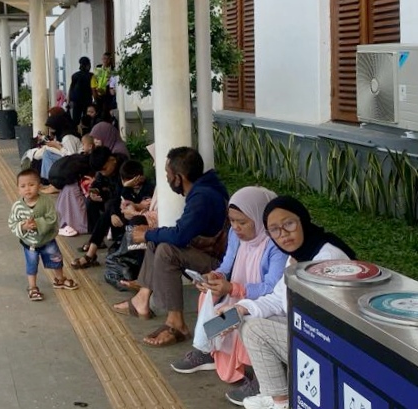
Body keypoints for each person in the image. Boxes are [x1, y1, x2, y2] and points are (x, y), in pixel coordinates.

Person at [170, 186, 288, 406]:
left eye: (242, 222)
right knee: (209, 296)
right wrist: (215, 276)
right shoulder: (235, 235)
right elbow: (227, 263)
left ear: (260, 217)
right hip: (238, 290)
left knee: (248, 319)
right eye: (232, 221)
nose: (236, 227)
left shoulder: (275, 245)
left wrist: (234, 290)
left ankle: (257, 376)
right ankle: (207, 350)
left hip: (260, 300)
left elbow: (272, 288)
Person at [235, 196, 356, 409]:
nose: (283, 234)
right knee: (245, 318)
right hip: (310, 329)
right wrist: (242, 307)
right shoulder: (298, 255)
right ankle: (275, 395)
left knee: (255, 329)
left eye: (289, 224)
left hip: (332, 343)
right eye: (274, 230)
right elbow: (279, 298)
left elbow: (327, 317)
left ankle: (281, 402)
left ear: (303, 220)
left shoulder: (327, 258)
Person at [112, 146, 229, 348]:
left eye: (167, 174)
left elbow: (181, 235)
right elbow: (183, 231)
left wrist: (147, 233)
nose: (166, 179)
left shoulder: (202, 197)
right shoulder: (204, 188)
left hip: (219, 264)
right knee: (157, 240)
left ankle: (177, 324)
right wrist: (151, 234)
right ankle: (142, 300)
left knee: (166, 250)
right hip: (206, 252)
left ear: (179, 177)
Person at [8, 169, 79, 301]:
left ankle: (60, 279)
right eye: (23, 186)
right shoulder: (17, 206)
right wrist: (23, 226)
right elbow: (12, 223)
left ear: (39, 185)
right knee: (31, 264)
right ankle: (32, 287)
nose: (27, 189)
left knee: (56, 259)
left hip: (47, 240)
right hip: (30, 244)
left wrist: (38, 224)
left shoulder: (46, 201)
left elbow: (53, 218)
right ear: (18, 189)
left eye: (31, 185)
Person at [72, 158, 153, 268]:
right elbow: (118, 200)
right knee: (108, 212)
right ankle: (91, 253)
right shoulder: (123, 184)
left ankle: (91, 254)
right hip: (122, 220)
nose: (134, 184)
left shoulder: (148, 187)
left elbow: (135, 206)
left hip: (137, 222)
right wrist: (113, 214)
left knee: (111, 210)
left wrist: (127, 190)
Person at [39, 113, 83, 187]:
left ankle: (52, 182)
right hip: (70, 158)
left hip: (75, 162)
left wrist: (57, 146)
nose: (50, 130)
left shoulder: (68, 137)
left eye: (51, 128)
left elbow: (72, 156)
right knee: (47, 152)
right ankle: (48, 180)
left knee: (47, 155)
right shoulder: (61, 134)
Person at [68, 57, 94, 125]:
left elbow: (71, 89)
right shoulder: (91, 76)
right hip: (87, 101)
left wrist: (69, 101)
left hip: (76, 102)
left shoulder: (75, 75)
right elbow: (93, 89)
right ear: (87, 65)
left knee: (75, 121)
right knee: (88, 121)